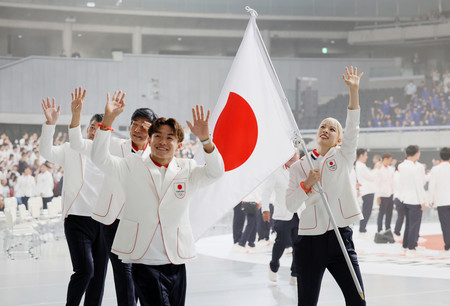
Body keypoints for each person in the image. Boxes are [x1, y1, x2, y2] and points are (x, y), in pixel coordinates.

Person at [91, 92, 224, 306]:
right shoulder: (132, 165)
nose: (162, 142)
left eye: (169, 137)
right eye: (158, 136)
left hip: (176, 259)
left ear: (179, 144)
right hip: (144, 260)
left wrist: (206, 140)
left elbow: (216, 172)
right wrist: (107, 121)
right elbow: (99, 158)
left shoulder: (187, 169)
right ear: (150, 140)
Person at [69, 88, 158, 306]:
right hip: (114, 220)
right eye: (134, 124)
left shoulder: (156, 154)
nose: (137, 130)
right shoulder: (116, 145)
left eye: (143, 127)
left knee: (138, 272)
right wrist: (107, 119)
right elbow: (80, 145)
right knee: (124, 271)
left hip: (142, 223)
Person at [286, 66, 365, 306]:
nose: (326, 130)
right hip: (310, 241)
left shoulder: (342, 156)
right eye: (323, 126)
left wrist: (353, 92)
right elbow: (290, 204)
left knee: (357, 300)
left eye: (332, 129)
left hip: (341, 237)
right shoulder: (299, 166)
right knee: (307, 302)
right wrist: (307, 184)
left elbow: (353, 128)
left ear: (339, 139)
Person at [39, 95, 108, 306]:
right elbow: (46, 151)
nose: (94, 131)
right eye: (92, 127)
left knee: (98, 278)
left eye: (100, 128)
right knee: (85, 270)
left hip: (104, 221)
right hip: (77, 219)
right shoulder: (72, 149)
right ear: (87, 129)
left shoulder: (112, 155)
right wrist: (50, 124)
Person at [262, 151, 300, 285]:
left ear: (298, 155)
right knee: (282, 241)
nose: (292, 156)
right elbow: (266, 191)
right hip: (282, 214)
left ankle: (295, 273)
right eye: (289, 153)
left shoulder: (303, 169)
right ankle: (273, 265)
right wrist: (265, 209)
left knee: (298, 245)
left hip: (300, 214)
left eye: (295, 153)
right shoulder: (277, 171)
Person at [398, 145, 427, 256]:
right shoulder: (416, 168)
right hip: (415, 199)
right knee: (414, 225)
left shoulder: (401, 166)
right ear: (416, 154)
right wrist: (422, 201)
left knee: (409, 224)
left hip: (405, 198)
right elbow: (419, 185)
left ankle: (405, 246)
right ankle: (412, 248)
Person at [428, 147, 450, 255]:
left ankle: (448, 246)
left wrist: (431, 199)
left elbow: (431, 186)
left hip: (442, 201)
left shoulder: (435, 169)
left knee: (445, 224)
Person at [355, 148, 377, 234]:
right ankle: (362, 229)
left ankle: (363, 229)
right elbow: (371, 177)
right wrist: (376, 169)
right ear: (361, 155)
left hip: (367, 190)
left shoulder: (360, 165)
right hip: (367, 191)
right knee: (366, 211)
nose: (367, 157)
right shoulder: (361, 165)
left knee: (367, 211)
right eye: (366, 155)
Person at [374, 153, 395, 240]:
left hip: (390, 194)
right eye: (389, 160)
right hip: (382, 195)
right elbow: (377, 183)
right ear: (385, 159)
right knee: (381, 213)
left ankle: (388, 229)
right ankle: (379, 230)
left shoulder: (391, 169)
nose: (390, 162)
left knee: (389, 213)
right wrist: (378, 196)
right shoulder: (379, 169)